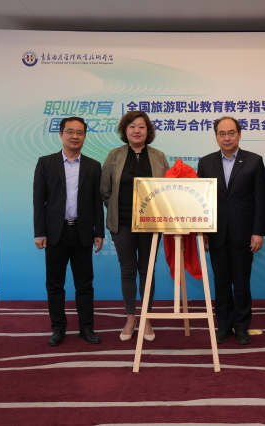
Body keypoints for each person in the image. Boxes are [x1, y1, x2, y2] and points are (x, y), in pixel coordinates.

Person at [33, 116, 105, 346]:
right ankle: (58, 328)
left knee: (85, 284)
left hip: (82, 233)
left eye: (80, 132)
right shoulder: (45, 163)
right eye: (70, 132)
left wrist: (99, 232)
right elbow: (39, 200)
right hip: (56, 233)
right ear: (61, 134)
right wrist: (40, 233)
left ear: (85, 136)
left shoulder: (93, 166)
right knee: (55, 284)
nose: (75, 136)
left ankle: (86, 328)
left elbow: (97, 202)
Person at [197, 117, 265, 345]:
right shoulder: (205, 162)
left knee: (242, 283)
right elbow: (201, 201)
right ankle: (224, 326)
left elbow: (260, 199)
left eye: (231, 133)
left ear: (239, 134)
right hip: (216, 234)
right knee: (221, 283)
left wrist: (258, 232)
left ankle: (242, 327)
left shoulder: (254, 161)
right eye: (221, 133)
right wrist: (203, 232)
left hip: (244, 233)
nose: (226, 138)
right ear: (216, 136)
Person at [100, 111, 170, 342]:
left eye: (141, 126)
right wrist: (118, 209)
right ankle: (131, 317)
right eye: (131, 126)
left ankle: (146, 318)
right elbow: (105, 190)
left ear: (148, 131)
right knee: (128, 270)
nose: (136, 130)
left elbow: (168, 189)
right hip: (122, 223)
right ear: (125, 131)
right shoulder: (114, 155)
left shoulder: (159, 156)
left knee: (147, 271)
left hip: (151, 223)